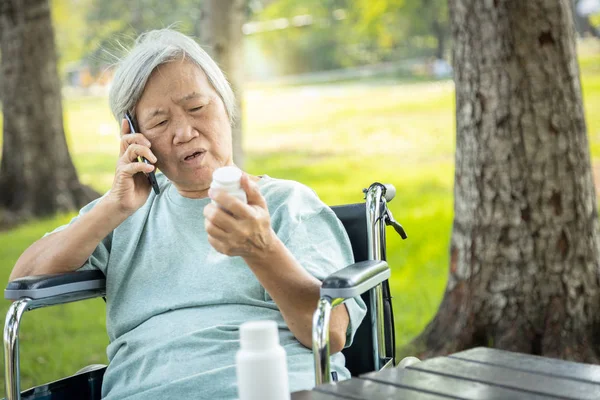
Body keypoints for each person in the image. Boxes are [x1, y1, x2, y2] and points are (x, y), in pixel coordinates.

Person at [9, 29, 366, 399]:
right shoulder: (123, 213)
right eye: (160, 122)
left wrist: (261, 250)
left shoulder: (286, 202)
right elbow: (22, 281)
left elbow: (331, 333)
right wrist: (112, 207)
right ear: (134, 137)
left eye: (196, 108)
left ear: (227, 107)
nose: (183, 132)